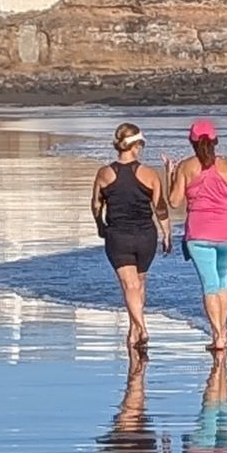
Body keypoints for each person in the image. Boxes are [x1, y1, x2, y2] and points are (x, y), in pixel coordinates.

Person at [164, 119, 227, 354]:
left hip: (198, 234)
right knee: (222, 281)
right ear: (215, 141)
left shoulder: (186, 167)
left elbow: (174, 202)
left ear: (192, 142)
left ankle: (217, 334)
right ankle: (223, 331)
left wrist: (170, 175)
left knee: (210, 285)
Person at [91, 122, 171, 355]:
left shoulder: (105, 173)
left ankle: (141, 327)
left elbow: (96, 204)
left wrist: (100, 225)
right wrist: (167, 233)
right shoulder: (149, 174)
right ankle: (134, 330)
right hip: (146, 235)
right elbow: (160, 207)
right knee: (139, 284)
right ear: (135, 146)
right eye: (140, 145)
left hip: (118, 236)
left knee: (130, 285)